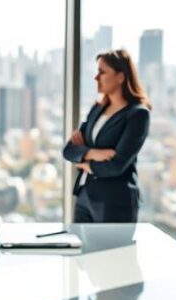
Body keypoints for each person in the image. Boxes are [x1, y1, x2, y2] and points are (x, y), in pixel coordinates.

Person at [62, 49, 151, 223]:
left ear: (120, 76)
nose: (96, 77)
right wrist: (93, 154)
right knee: (82, 250)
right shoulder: (98, 108)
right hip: (84, 195)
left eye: (102, 72)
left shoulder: (137, 114)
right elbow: (69, 150)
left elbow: (117, 165)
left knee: (110, 251)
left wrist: (86, 165)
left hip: (115, 202)